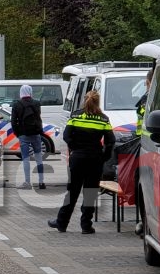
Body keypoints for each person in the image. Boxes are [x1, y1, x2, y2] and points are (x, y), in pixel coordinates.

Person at [49, 90, 115, 234]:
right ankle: (86, 225)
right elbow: (111, 142)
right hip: (95, 159)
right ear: (98, 102)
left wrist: (75, 148)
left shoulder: (76, 115)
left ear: (84, 100)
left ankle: (61, 223)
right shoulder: (103, 119)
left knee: (72, 192)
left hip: (77, 159)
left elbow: (66, 136)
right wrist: (103, 157)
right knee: (90, 192)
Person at [9, 84, 45, 190]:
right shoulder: (36, 103)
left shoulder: (17, 104)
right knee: (39, 158)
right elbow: (38, 118)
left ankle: (27, 182)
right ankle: (41, 182)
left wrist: (18, 133)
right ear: (30, 91)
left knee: (26, 159)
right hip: (36, 134)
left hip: (23, 135)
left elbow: (13, 121)